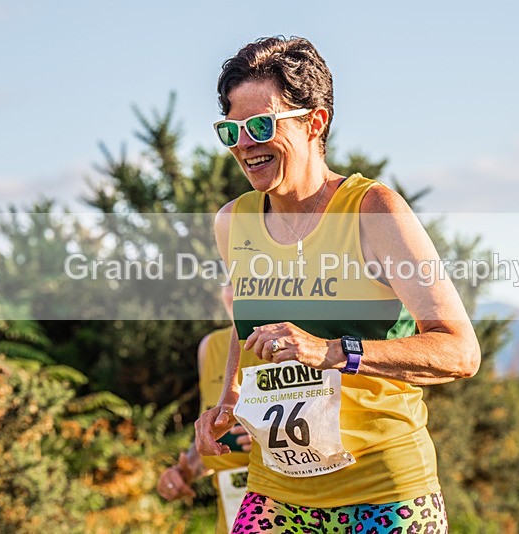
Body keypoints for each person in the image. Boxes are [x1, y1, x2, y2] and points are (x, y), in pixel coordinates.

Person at [195, 36, 481, 534]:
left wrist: (330, 350)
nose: (244, 144)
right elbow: (249, 327)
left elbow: (459, 352)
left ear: (315, 122)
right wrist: (228, 400)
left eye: (261, 125)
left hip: (384, 496)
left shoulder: (374, 211)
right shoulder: (232, 222)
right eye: (231, 130)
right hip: (276, 493)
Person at [157, 285, 251, 534]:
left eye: (246, 280)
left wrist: (274, 440)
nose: (236, 293)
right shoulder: (210, 347)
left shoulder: (292, 337)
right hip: (232, 519)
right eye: (231, 283)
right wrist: (185, 472)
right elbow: (215, 441)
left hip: (292, 505)